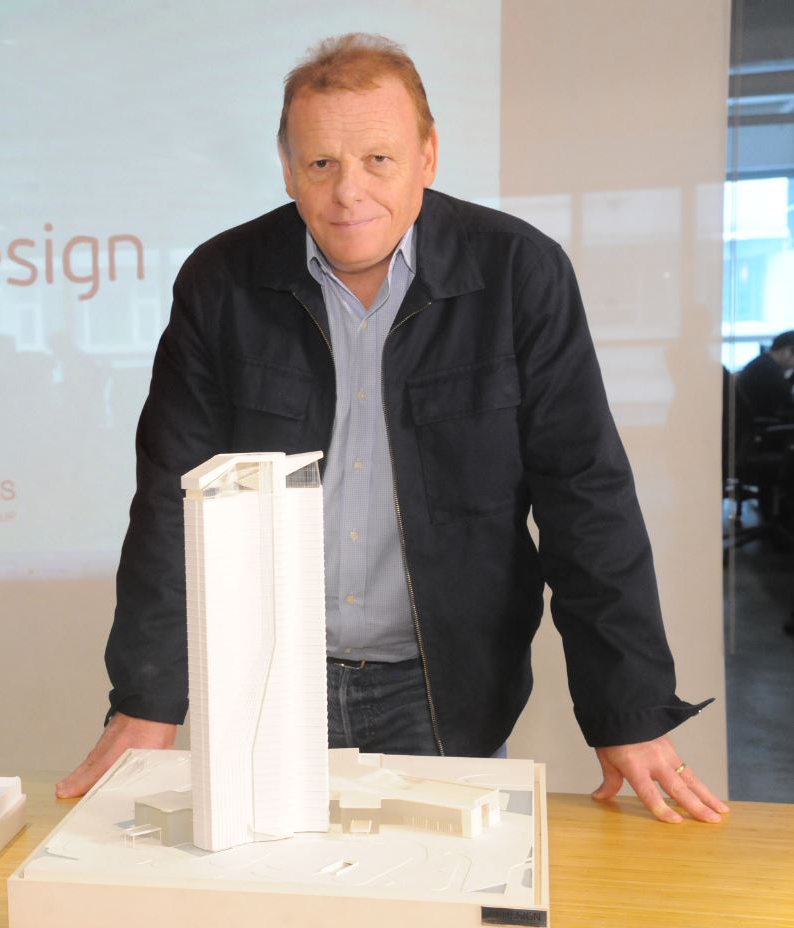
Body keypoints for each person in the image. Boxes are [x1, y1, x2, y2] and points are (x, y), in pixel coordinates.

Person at [56, 33, 727, 825]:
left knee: (449, 882)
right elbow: (173, 501)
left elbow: (585, 497)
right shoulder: (220, 281)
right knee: (266, 880)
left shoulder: (517, 272)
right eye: (320, 163)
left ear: (426, 157)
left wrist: (628, 708)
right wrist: (146, 697)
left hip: (444, 686)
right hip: (270, 680)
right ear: (286, 169)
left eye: (378, 159)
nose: (348, 192)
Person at [736, 331, 794, 421]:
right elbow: (787, 400)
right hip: (765, 423)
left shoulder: (763, 363)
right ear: (787, 352)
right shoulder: (767, 369)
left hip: (761, 420)